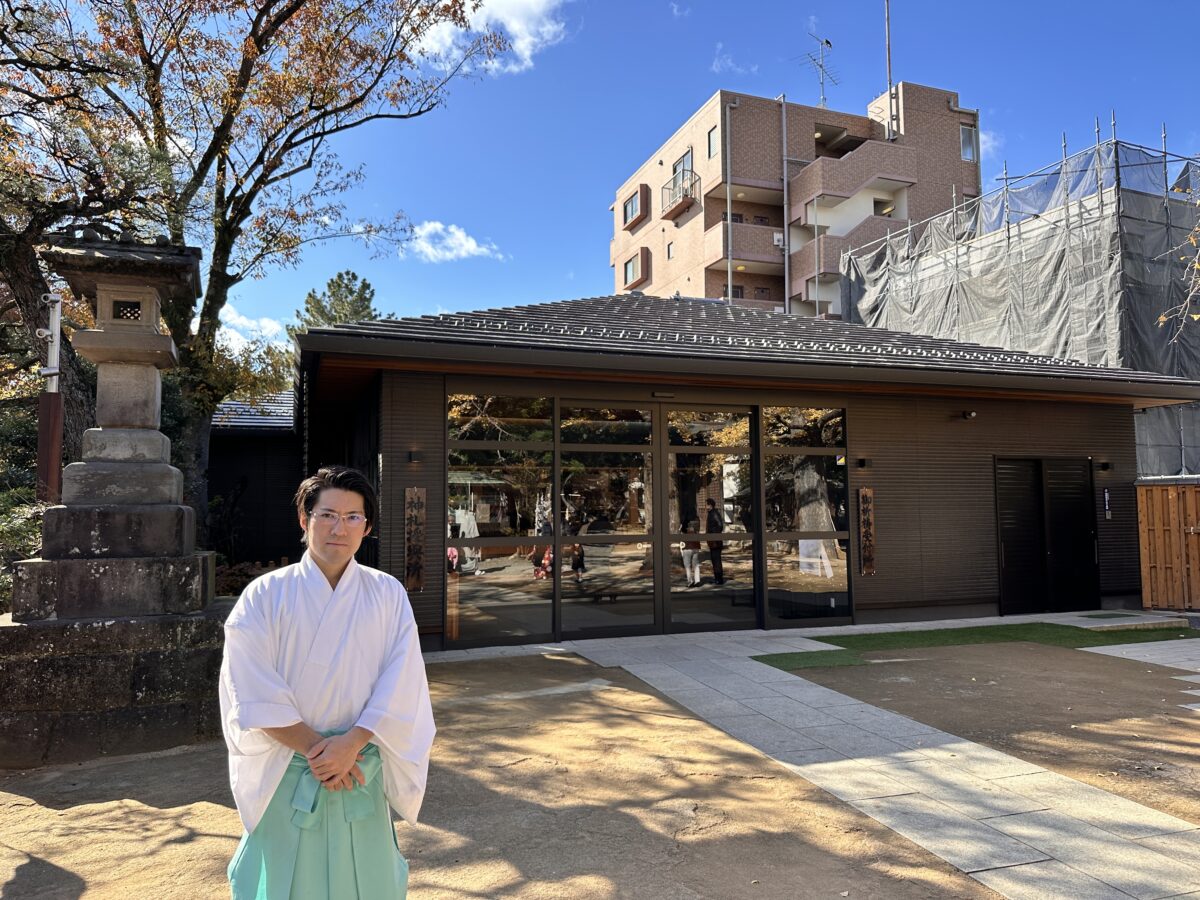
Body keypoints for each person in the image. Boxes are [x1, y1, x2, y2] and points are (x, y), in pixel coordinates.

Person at [219, 466, 435, 900]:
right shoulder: (264, 595)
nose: (340, 528)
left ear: (367, 527)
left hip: (359, 765)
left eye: (353, 517)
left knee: (366, 883)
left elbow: (403, 679)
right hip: (290, 766)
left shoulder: (387, 593)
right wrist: (320, 751)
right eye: (328, 515)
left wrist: (351, 744)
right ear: (305, 519)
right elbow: (250, 687)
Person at [704, 498, 725, 585]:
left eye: (706, 504)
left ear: (710, 505)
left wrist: (713, 534)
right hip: (712, 541)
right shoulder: (711, 513)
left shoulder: (714, 513)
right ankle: (717, 577)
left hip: (716, 541)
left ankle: (719, 579)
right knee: (714, 559)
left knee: (716, 560)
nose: (705, 506)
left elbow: (720, 525)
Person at [680, 519, 702, 587]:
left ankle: (690, 581)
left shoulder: (684, 526)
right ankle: (697, 580)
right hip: (696, 546)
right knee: (696, 564)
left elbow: (681, 534)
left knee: (687, 565)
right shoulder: (696, 524)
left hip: (687, 547)